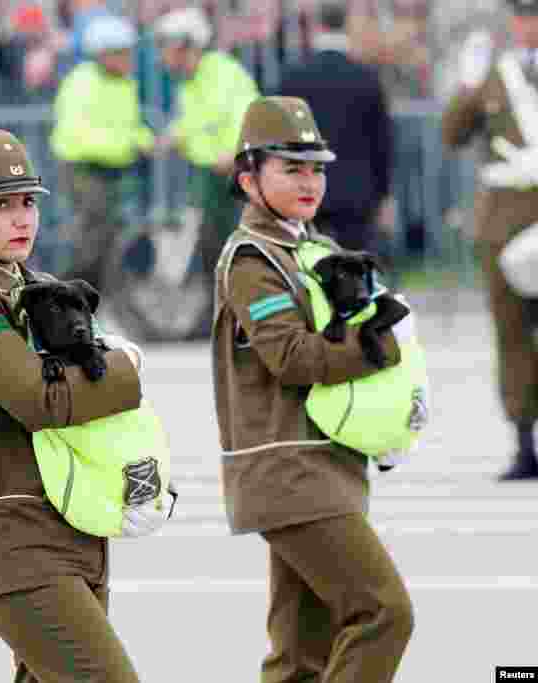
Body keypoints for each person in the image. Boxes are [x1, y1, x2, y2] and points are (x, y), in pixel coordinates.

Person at [0, 128, 157, 682]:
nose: (21, 218)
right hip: (15, 541)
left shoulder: (37, 287)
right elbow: (41, 399)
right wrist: (128, 369)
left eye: (27, 202)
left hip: (74, 528)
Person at [213, 96, 415, 682]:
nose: (309, 182)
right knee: (383, 613)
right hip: (289, 468)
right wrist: (376, 349)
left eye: (317, 169)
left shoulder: (312, 249)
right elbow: (291, 357)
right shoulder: (253, 259)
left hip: (323, 463)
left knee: (300, 656)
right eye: (291, 168)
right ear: (249, 178)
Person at [441, 0, 538, 480]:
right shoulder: (495, 78)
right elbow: (452, 134)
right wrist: (467, 85)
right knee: (512, 331)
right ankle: (524, 441)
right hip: (506, 219)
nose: (528, 25)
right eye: (523, 16)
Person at [153, 6, 260, 339]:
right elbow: (196, 122)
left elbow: (248, 114)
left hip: (232, 173)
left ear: (189, 46)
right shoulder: (191, 81)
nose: (163, 57)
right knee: (210, 247)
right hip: (208, 175)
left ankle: (238, 316)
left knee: (231, 246)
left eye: (168, 48)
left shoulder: (224, 73)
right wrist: (174, 135)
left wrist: (233, 152)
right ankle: (217, 317)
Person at [274, 1, 395, 258]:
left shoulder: (293, 79)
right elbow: (382, 143)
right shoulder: (367, 79)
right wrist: (384, 193)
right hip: (357, 194)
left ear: (316, 26)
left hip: (303, 189)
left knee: (306, 272)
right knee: (354, 279)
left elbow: (280, 141)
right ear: (347, 24)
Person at [50, 13, 154, 293]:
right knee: (91, 239)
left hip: (110, 169)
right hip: (82, 168)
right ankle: (66, 295)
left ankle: (92, 297)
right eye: (125, 52)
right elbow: (80, 136)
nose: (131, 59)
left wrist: (146, 139)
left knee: (107, 238)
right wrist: (129, 147)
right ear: (105, 54)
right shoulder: (80, 83)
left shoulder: (124, 84)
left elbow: (128, 125)